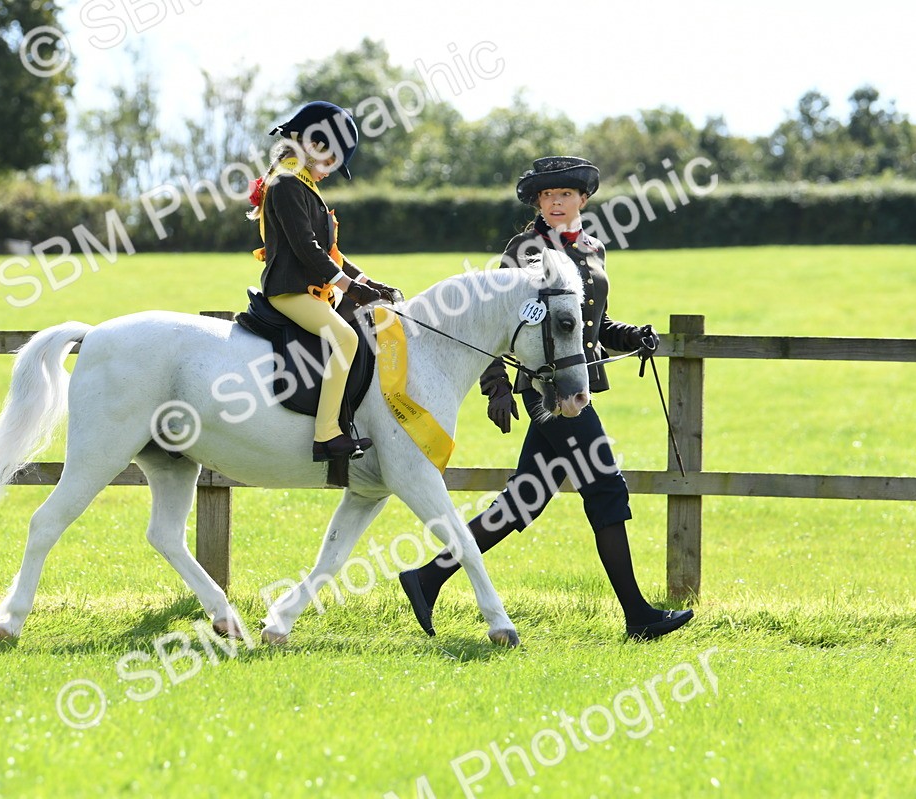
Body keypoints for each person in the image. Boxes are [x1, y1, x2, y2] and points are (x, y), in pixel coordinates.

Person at [397, 156, 694, 641]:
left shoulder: (595, 248)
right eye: (547, 197)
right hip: (549, 391)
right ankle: (639, 616)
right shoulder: (527, 249)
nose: (556, 203)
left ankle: (428, 577)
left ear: (583, 200)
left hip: (575, 384)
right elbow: (491, 320)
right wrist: (494, 387)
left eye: (565, 195)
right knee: (605, 488)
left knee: (523, 500)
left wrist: (631, 336)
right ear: (538, 203)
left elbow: (587, 326)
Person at [247, 101, 401, 462]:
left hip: (310, 290)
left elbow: (331, 251)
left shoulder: (301, 185)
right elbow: (305, 247)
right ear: (314, 144)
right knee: (345, 339)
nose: (331, 171)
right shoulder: (286, 184)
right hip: (289, 290)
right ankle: (326, 434)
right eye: (332, 161)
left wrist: (366, 281)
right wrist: (348, 287)